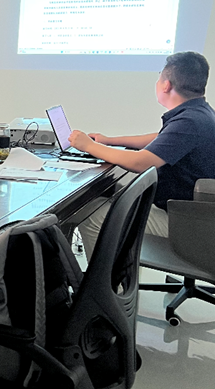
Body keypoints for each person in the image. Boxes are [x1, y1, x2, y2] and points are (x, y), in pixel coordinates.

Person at [70, 51, 215, 258]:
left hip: (185, 223)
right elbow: (161, 138)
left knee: (92, 217)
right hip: (193, 215)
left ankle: (106, 279)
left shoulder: (189, 121)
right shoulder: (199, 113)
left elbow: (140, 163)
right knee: (98, 202)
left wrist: (88, 146)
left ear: (166, 85)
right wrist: (109, 141)